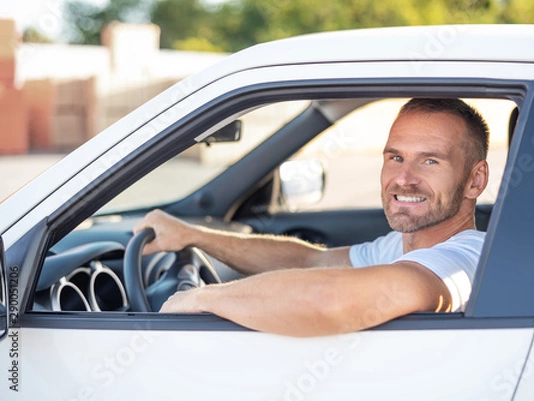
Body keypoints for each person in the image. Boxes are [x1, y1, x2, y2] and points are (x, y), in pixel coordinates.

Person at [134, 98, 490, 337]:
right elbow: (310, 259)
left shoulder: (464, 259)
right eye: (395, 157)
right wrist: (194, 236)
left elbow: (330, 300)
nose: (404, 178)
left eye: (430, 161)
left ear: (475, 180)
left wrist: (200, 299)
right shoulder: (398, 247)